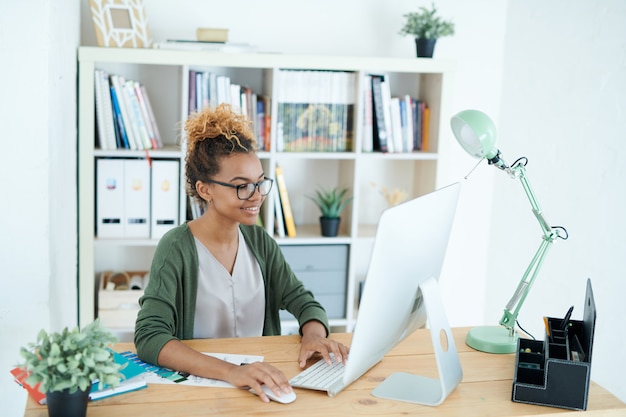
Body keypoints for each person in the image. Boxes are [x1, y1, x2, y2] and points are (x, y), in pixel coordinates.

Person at [134, 103, 349, 403]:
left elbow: (302, 300)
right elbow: (149, 337)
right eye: (241, 186)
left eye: (260, 182)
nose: (257, 195)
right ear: (205, 189)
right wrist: (233, 372)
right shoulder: (176, 248)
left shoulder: (259, 241)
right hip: (199, 390)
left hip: (259, 385)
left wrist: (314, 335)